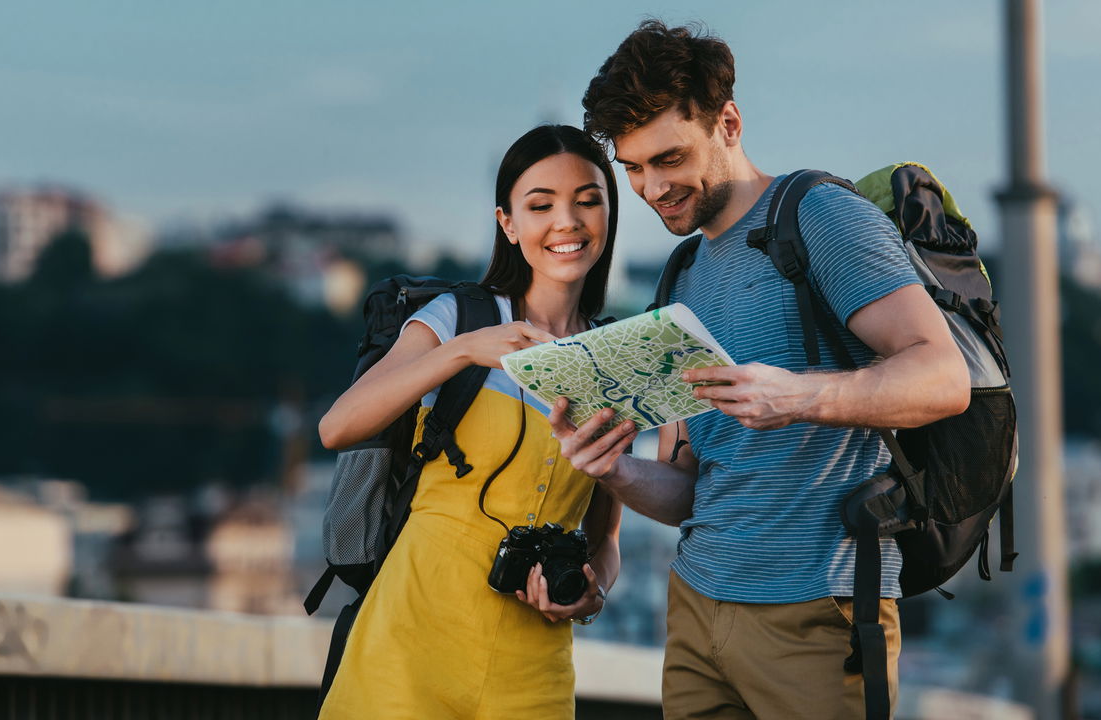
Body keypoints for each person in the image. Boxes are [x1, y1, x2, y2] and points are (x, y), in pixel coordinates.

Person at [549, 21, 971, 720]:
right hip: (695, 611)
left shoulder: (822, 218)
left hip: (818, 614)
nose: (652, 188)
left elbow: (943, 377)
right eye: (633, 168)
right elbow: (686, 489)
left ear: (729, 122)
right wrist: (612, 469)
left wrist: (797, 397)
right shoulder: (680, 276)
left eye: (669, 158)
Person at [317, 124, 624, 720]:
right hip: (408, 647)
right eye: (541, 206)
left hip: (533, 670)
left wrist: (593, 593)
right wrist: (462, 351)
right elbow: (337, 427)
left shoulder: (613, 360)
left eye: (588, 200)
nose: (567, 222)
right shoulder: (459, 316)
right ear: (508, 224)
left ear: (609, 216)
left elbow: (605, 536)